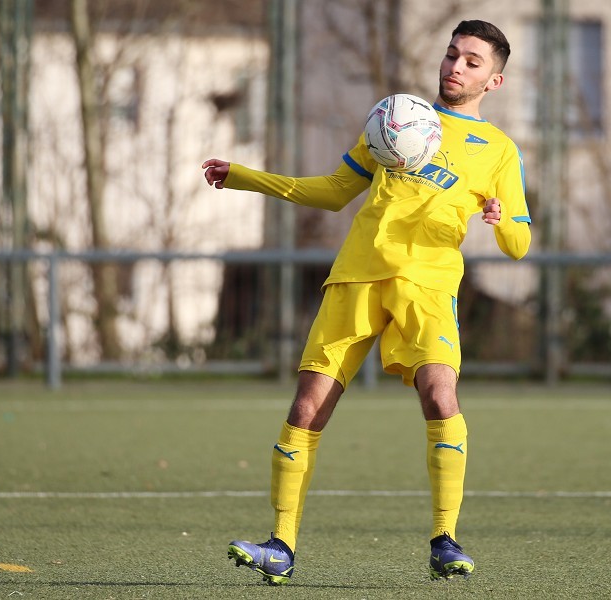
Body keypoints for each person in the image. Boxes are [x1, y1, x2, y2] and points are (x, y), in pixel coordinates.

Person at [202, 19, 531, 586]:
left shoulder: (498, 151)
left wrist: (501, 223)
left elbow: (521, 243)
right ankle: (280, 545)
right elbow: (333, 191)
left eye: (472, 61)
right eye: (452, 54)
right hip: (355, 278)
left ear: (493, 81)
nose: (456, 66)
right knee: (306, 409)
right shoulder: (394, 119)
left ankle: (445, 538)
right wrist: (245, 177)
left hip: (428, 287)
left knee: (440, 394)